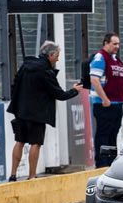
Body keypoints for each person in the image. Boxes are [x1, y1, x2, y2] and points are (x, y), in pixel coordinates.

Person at [7, 41, 82, 181]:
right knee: (36, 143)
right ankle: (32, 175)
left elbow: (14, 85)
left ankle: (12, 175)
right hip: (37, 114)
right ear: (50, 55)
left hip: (21, 111)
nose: (58, 59)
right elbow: (59, 94)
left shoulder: (25, 66)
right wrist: (75, 91)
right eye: (57, 55)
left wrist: (17, 105)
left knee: (20, 141)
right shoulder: (46, 72)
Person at [90, 33, 123, 168]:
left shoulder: (115, 59)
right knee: (104, 135)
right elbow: (94, 79)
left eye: (118, 44)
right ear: (106, 43)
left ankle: (111, 162)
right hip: (105, 104)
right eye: (114, 44)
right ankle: (102, 163)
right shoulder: (100, 57)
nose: (117, 47)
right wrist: (104, 99)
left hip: (117, 104)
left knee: (113, 134)